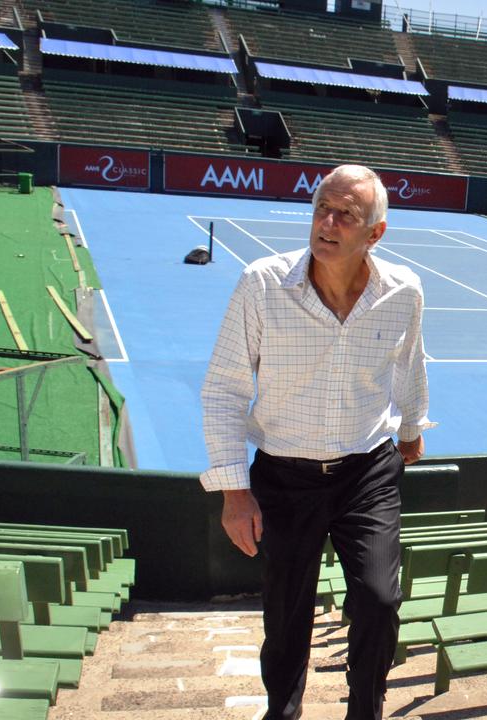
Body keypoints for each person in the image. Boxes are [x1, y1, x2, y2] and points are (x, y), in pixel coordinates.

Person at [200, 164, 433, 720]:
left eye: (345, 215)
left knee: (379, 601)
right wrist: (234, 491)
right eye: (321, 210)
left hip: (367, 472)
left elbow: (410, 362)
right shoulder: (262, 283)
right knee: (285, 614)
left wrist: (411, 426)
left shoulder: (404, 291)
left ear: (374, 233)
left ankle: (365, 710)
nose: (326, 223)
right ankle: (283, 708)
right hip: (284, 475)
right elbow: (224, 390)